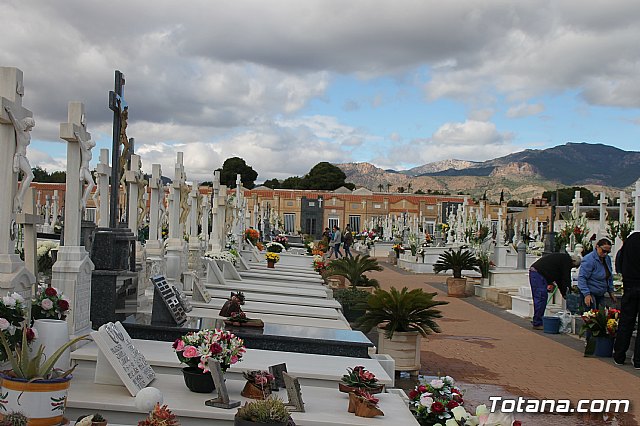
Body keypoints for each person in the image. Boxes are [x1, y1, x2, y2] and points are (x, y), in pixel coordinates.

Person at [529, 253, 582, 329]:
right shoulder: (566, 260)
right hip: (538, 274)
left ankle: (537, 320)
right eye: (573, 266)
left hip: (537, 273)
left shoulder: (562, 260)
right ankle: (537, 322)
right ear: (573, 262)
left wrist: (564, 292)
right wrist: (567, 290)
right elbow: (566, 277)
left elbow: (559, 279)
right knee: (541, 297)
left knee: (541, 298)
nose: (571, 268)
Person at [613, 231, 640, 367]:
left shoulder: (630, 240)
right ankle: (638, 360)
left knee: (626, 322)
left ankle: (619, 355)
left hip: (629, 286)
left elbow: (619, 260)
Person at [5, 106, 35, 213]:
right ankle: (19, 197)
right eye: (30, 125)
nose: (31, 128)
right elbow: (14, 121)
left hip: (24, 156)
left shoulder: (27, 133)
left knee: (29, 175)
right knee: (30, 175)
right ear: (26, 124)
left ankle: (20, 196)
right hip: (19, 155)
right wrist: (9, 111)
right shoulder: (20, 131)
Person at [578, 238, 617, 309]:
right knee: (591, 316)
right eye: (603, 251)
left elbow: (609, 276)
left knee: (602, 314)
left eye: (608, 252)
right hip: (590, 292)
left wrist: (611, 292)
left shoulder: (607, 259)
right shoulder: (589, 259)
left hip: (601, 293)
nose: (605, 253)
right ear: (597, 247)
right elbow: (582, 278)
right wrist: (586, 294)